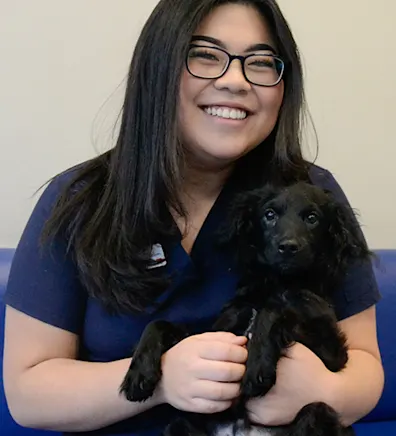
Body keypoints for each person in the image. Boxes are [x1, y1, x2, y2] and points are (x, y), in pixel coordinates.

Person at [3, 0, 384, 435]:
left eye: (260, 62)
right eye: (206, 55)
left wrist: (321, 391)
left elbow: (366, 368)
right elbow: (26, 393)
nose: (235, 81)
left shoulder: (313, 196)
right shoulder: (79, 200)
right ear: (158, 68)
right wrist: (163, 378)